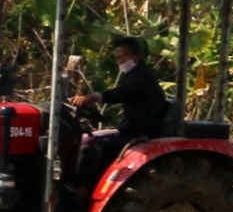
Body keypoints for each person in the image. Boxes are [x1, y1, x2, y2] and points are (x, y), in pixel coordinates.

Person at [68, 37, 172, 196]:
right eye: (117, 58)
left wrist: (93, 97)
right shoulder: (133, 75)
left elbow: (123, 92)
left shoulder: (143, 76)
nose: (120, 61)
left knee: (94, 147)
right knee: (87, 141)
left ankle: (79, 189)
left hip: (142, 133)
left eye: (123, 57)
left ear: (136, 57)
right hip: (130, 130)